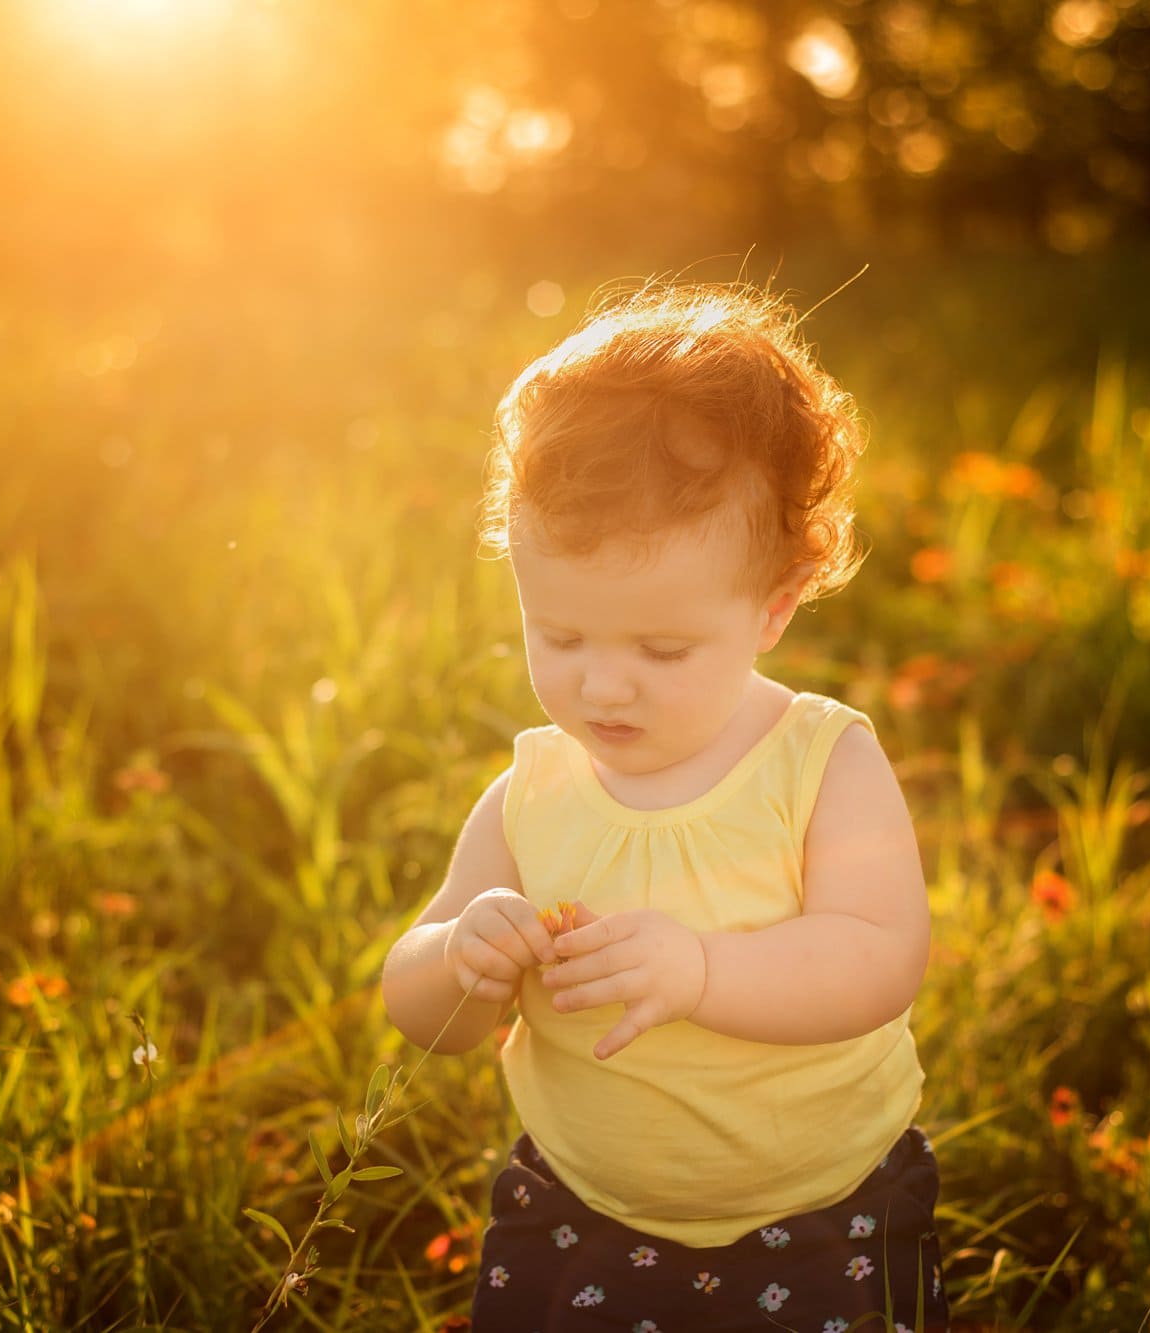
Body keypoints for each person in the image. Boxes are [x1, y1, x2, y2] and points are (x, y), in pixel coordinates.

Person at [379, 279, 950, 1331]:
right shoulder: (532, 792)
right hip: (580, 1205)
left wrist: (700, 969)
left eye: (660, 649)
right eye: (559, 637)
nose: (601, 685)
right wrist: (461, 954)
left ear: (771, 608)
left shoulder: (818, 763)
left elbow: (877, 958)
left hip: (822, 1207)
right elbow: (420, 1007)